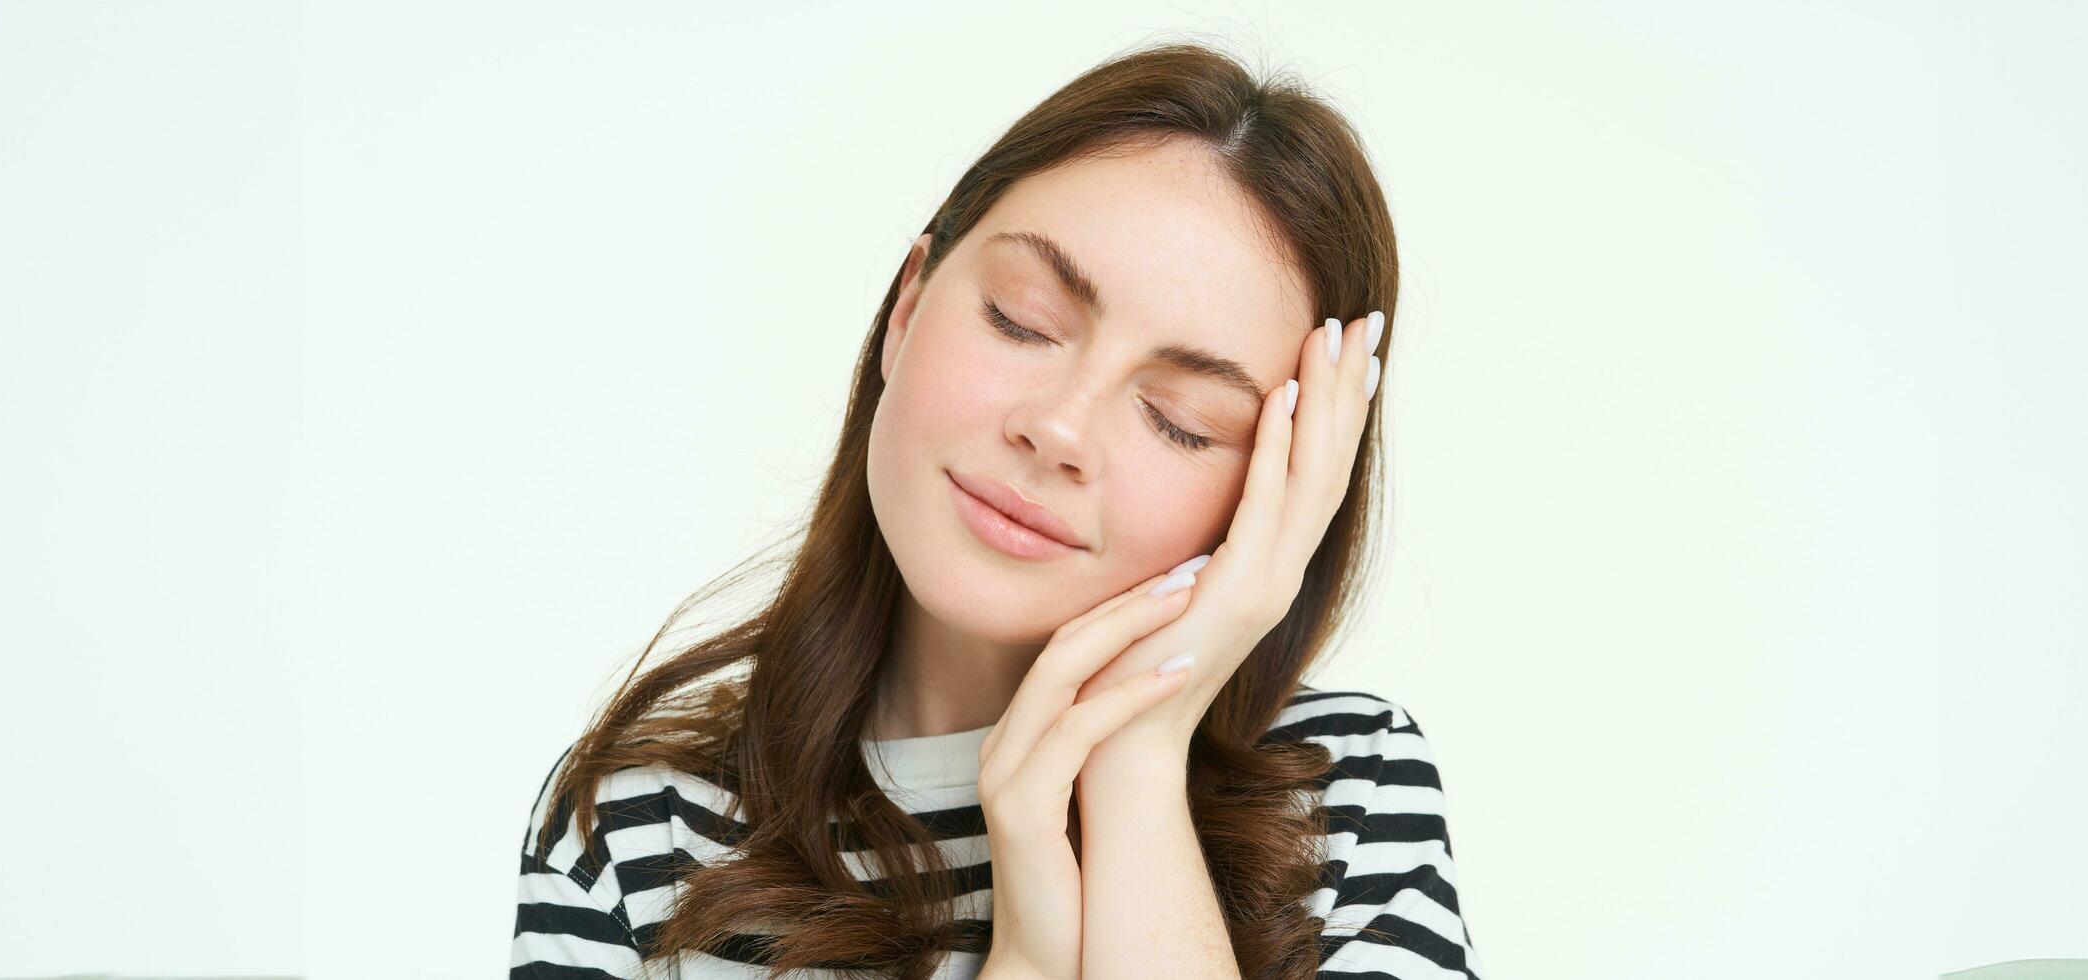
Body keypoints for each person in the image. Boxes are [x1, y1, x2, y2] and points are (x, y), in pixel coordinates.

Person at [512, 39, 1479, 980]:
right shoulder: (633, 821)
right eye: (1022, 320)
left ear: (1284, 485)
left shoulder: (1346, 792)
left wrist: (1136, 760)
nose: (1059, 429)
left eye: (1182, 421)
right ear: (906, 307)